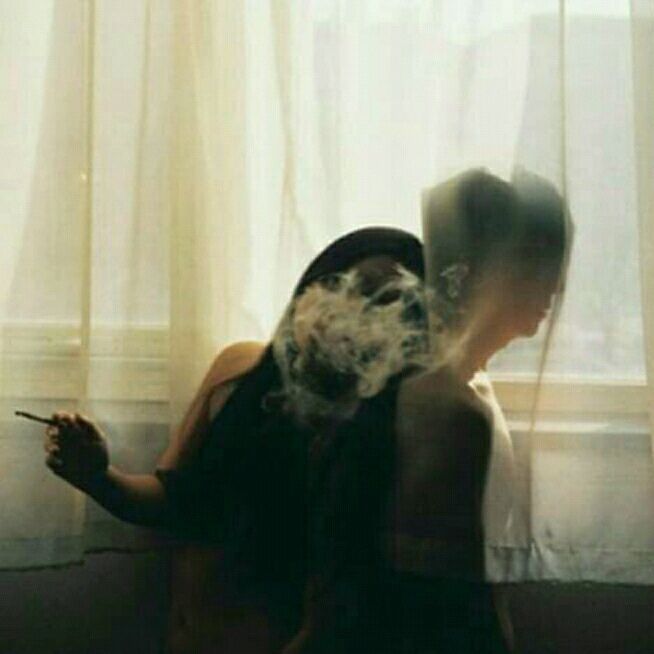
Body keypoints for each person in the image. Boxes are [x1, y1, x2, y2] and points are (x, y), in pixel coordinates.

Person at [42, 226, 427, 654]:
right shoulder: (239, 370)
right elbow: (174, 502)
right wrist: (97, 476)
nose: (344, 309)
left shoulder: (381, 429)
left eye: (377, 300)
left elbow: (330, 618)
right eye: (338, 284)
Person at [281, 167, 571, 654]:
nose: (554, 288)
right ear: (485, 271)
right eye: (535, 266)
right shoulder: (454, 413)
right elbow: (452, 606)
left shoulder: (466, 389)